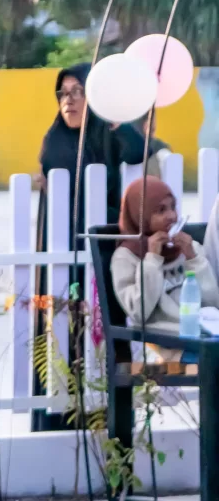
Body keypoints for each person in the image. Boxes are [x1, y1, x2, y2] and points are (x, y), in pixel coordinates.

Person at [36, 63, 140, 251]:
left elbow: (138, 152)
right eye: (63, 93)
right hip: (63, 239)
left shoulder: (106, 134)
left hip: (105, 238)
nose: (68, 100)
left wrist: (113, 117)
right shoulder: (54, 141)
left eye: (77, 91)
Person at [110, 176, 216, 334]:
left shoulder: (187, 247)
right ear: (142, 216)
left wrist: (193, 259)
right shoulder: (125, 257)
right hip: (166, 345)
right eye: (161, 210)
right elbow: (139, 312)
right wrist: (152, 259)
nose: (172, 216)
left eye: (173, 207)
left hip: (204, 335)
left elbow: (213, 302)